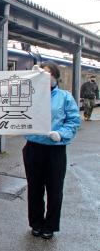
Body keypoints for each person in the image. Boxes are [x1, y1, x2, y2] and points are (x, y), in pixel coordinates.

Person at [23, 62, 81, 239]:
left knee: (55, 190)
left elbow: (73, 121)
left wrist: (61, 134)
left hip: (55, 150)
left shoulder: (65, 97)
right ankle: (36, 223)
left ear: (56, 77)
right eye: (41, 74)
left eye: (48, 75)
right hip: (33, 148)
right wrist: (28, 80)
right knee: (34, 189)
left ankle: (50, 225)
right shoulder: (29, 94)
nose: (45, 78)